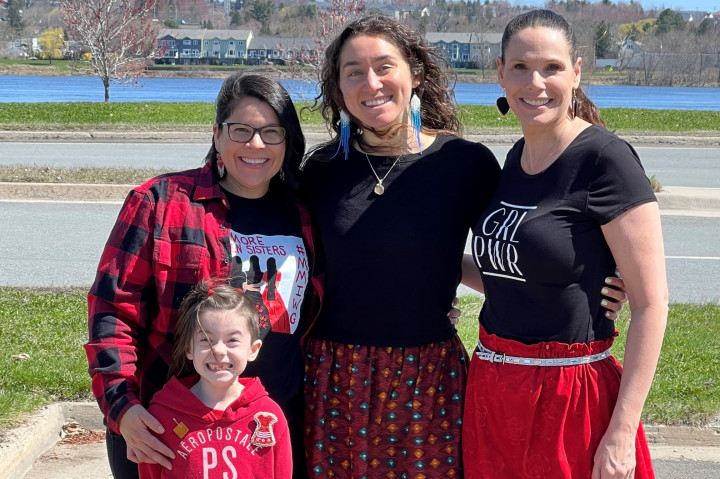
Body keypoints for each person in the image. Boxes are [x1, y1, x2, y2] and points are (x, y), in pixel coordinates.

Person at [295, 15, 626, 478]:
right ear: (338, 86)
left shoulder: (464, 164)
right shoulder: (321, 171)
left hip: (429, 377)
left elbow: (521, 243)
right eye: (353, 71)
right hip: (334, 377)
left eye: (385, 66)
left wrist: (600, 278)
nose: (371, 83)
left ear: (415, 74)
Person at [461, 9, 668, 479]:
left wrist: (621, 431)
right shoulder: (514, 159)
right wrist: (432, 260)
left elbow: (652, 305)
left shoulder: (604, 160)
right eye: (520, 67)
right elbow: (511, 275)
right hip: (494, 389)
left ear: (576, 72)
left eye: (552, 67)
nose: (536, 82)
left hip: (571, 395)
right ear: (500, 73)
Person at [85, 72, 321, 479]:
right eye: (241, 130)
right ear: (216, 134)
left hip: (271, 430)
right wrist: (122, 408)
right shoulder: (161, 203)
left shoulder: (307, 214)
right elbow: (112, 311)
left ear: (288, 141)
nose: (256, 144)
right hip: (170, 432)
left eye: (271, 132)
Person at [138, 281, 292, 479]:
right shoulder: (161, 417)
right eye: (206, 340)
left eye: (232, 340)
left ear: (253, 350)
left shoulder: (269, 416)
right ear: (188, 349)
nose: (218, 350)